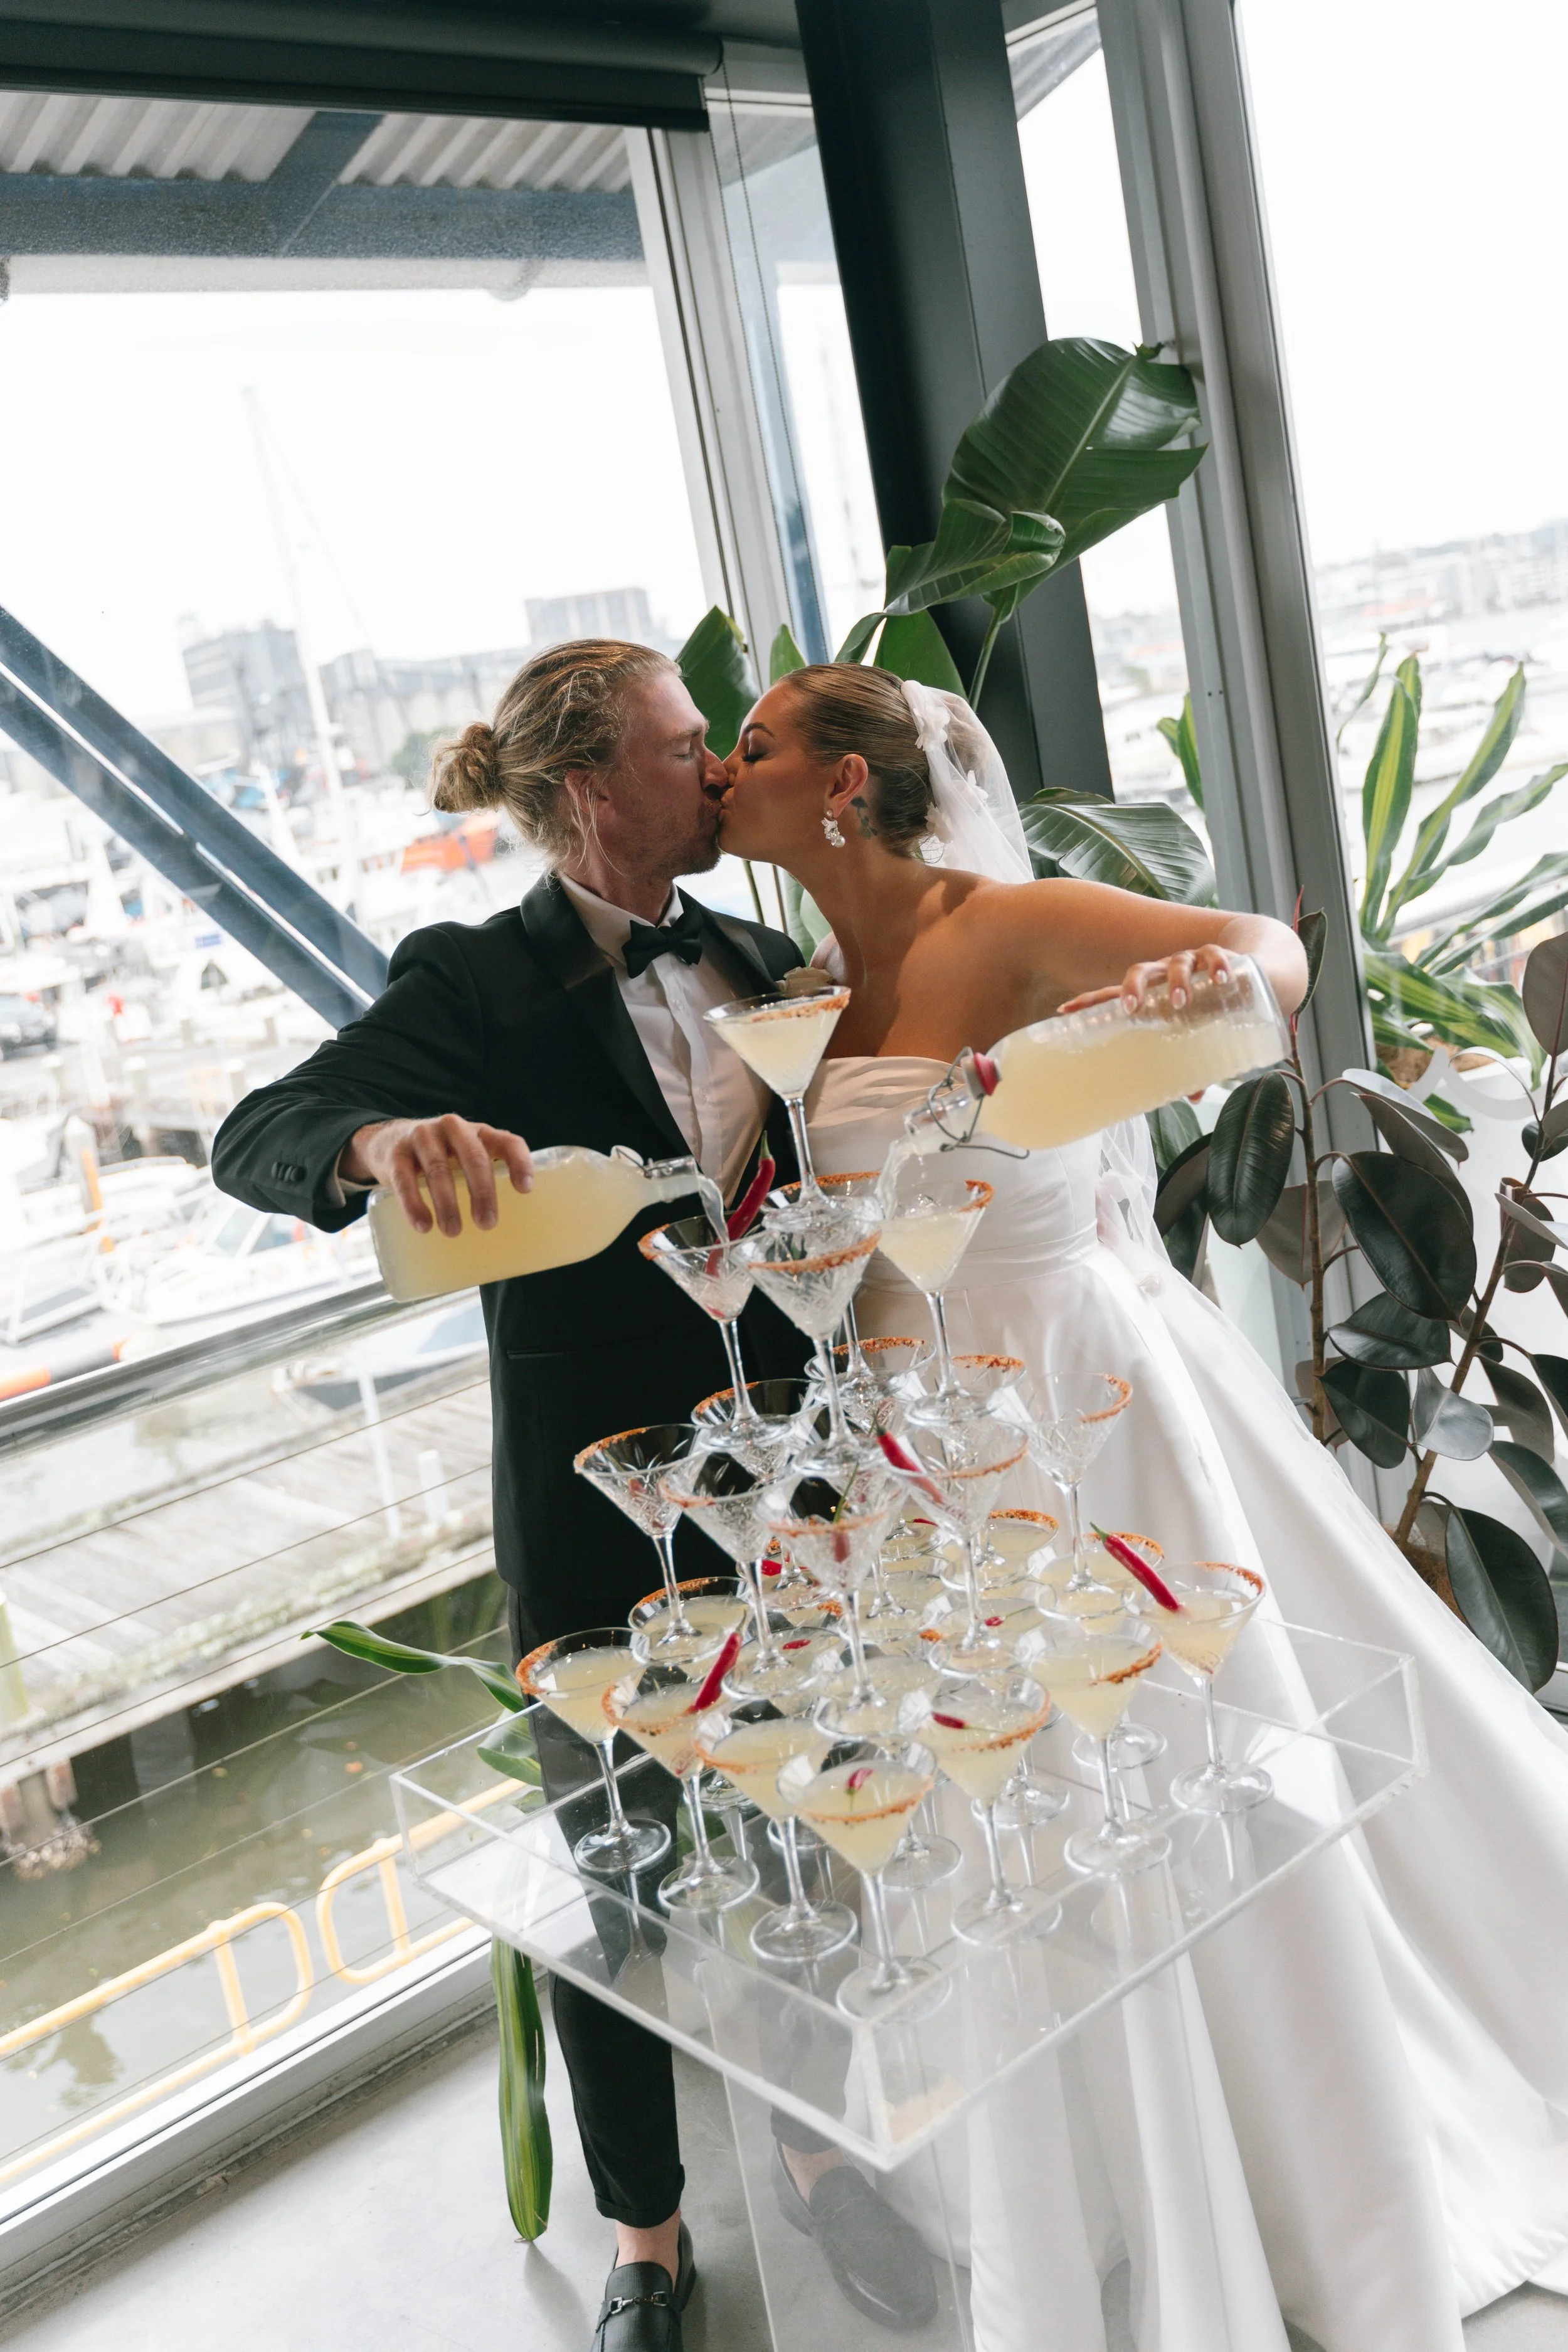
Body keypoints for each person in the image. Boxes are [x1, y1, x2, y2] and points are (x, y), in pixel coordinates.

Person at [717, 661, 1568, 2351]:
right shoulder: (808, 980)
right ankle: (1087, 2170)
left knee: (1175, 1773)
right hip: (913, 1444)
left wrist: (1208, 970)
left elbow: (1267, 957)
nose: (725, 770)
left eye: (752, 744)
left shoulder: (1000, 912)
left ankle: (1303, 2160)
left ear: (838, 785)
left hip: (1074, 1408)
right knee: (999, 1807)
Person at [211, 642, 935, 2352]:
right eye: (688, 746)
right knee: (618, 1870)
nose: (715, 769)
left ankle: (827, 2164)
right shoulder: (473, 977)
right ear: (590, 790)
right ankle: (646, 2238)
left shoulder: (761, 956)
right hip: (590, 1503)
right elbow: (263, 1123)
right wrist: (378, 1149)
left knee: (799, 1826)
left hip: (783, 1490)